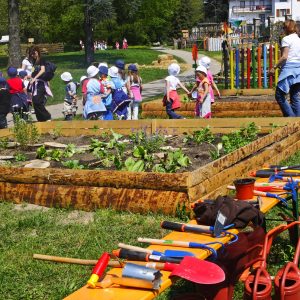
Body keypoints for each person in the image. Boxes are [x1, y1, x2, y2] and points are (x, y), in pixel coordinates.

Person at [270, 19, 300, 117]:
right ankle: (297, 124)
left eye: (283, 27)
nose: (283, 29)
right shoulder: (298, 39)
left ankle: (291, 119)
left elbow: (284, 57)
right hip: (298, 69)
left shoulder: (286, 39)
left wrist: (274, 67)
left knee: (279, 95)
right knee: (295, 96)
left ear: (287, 28)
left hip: (289, 69)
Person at [28, 46, 52, 121]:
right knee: (35, 102)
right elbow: (33, 72)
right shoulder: (34, 62)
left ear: (37, 52)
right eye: (31, 54)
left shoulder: (42, 59)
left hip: (40, 84)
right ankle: (40, 119)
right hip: (35, 84)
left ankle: (47, 117)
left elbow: (42, 70)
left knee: (37, 101)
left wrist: (34, 78)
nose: (33, 55)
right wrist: (28, 76)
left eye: (33, 53)